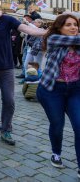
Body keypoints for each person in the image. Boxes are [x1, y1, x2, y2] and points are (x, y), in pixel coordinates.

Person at [0, 0, 46, 145]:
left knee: (9, 100)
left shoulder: (8, 20)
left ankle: (6, 129)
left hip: (7, 67)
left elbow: (28, 30)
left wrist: (48, 32)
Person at [36, 14, 80, 177]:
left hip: (75, 90)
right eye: (68, 25)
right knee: (57, 125)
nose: (73, 28)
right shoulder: (54, 40)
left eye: (75, 25)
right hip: (52, 90)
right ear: (59, 28)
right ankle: (56, 153)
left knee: (79, 126)